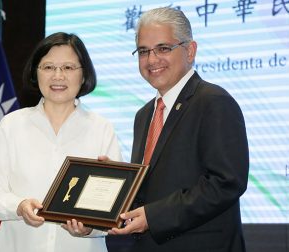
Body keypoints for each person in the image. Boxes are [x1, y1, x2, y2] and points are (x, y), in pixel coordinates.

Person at [106, 7, 249, 252]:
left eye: (163, 48)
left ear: (190, 50)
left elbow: (226, 183)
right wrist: (113, 182)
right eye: (143, 51)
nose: (151, 60)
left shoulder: (213, 101)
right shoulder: (144, 115)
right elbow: (154, 186)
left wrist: (153, 216)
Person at [0, 32, 122, 252]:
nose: (58, 76)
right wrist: (18, 206)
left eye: (69, 68)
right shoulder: (12, 125)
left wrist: (90, 228)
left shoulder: (101, 129)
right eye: (48, 67)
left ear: (83, 75)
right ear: (36, 73)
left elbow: (114, 209)